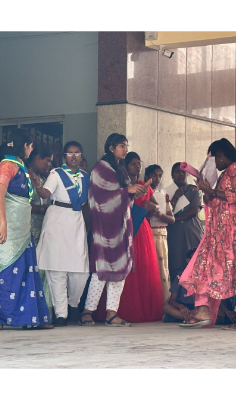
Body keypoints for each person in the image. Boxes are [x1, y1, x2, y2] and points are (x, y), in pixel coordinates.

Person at [179, 138, 236, 330]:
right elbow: (216, 201)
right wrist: (207, 190)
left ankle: (213, 311)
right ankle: (211, 311)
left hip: (234, 230)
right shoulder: (228, 172)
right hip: (222, 230)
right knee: (213, 265)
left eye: (213, 160)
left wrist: (210, 190)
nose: (214, 165)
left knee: (222, 265)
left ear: (221, 155)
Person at [0, 129, 53, 330]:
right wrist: (3, 223)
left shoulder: (20, 166)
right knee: (6, 271)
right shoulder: (7, 166)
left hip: (20, 228)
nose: (31, 149)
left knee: (25, 271)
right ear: (24, 146)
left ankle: (31, 318)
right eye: (30, 145)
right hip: (6, 228)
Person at [78, 133, 147, 327]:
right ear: (111, 148)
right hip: (105, 227)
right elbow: (99, 197)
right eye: (122, 146)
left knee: (120, 269)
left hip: (121, 226)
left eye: (126, 145)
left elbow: (123, 195)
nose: (125, 149)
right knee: (101, 270)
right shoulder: (101, 168)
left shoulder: (121, 169)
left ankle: (111, 313)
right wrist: (127, 191)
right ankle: (87, 312)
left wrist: (134, 192)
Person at [34, 141, 90, 326]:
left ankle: (73, 304)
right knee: (56, 269)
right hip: (57, 219)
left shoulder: (85, 176)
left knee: (80, 271)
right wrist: (37, 185)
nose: (73, 156)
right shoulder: (56, 174)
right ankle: (61, 314)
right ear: (64, 156)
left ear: (81, 155)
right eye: (70, 153)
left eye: (77, 153)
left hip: (76, 221)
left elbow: (87, 203)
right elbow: (45, 193)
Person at [110, 152, 164, 323]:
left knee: (142, 267)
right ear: (125, 166)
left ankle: (143, 309)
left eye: (138, 163)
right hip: (124, 227)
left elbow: (158, 207)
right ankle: (119, 309)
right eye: (133, 164)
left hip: (142, 229)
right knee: (124, 267)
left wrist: (152, 207)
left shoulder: (144, 186)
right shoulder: (121, 185)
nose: (137, 167)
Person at [27, 145, 54, 317]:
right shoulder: (27, 176)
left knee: (44, 268)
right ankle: (33, 309)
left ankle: (45, 310)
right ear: (37, 158)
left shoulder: (43, 178)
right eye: (48, 161)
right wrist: (43, 209)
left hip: (44, 229)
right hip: (30, 229)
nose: (50, 165)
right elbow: (21, 204)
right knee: (33, 267)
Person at [167, 162, 204, 281]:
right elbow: (165, 213)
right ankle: (176, 291)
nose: (181, 174)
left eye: (183, 172)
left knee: (195, 264)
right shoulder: (167, 192)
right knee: (176, 265)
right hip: (174, 235)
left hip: (192, 232)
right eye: (177, 172)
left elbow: (194, 211)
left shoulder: (194, 190)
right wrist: (175, 197)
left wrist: (173, 219)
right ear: (172, 175)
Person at [145, 164, 175, 301]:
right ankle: (150, 301)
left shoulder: (163, 195)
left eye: (160, 175)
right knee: (149, 268)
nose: (157, 178)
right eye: (154, 175)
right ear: (147, 176)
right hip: (147, 233)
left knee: (162, 268)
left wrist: (159, 214)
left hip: (162, 234)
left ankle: (163, 300)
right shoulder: (142, 193)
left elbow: (172, 219)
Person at [163, 248, 197, 322]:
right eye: (194, 258)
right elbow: (171, 300)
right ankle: (192, 318)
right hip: (184, 307)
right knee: (166, 307)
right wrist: (181, 306)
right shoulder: (181, 276)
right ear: (188, 260)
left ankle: (188, 318)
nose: (197, 261)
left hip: (199, 308)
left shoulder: (205, 276)